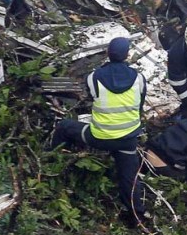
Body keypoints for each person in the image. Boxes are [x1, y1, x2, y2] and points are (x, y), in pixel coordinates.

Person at [51, 37, 148, 225]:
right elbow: (140, 107)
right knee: (129, 178)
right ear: (128, 55)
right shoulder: (139, 79)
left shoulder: (93, 77)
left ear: (107, 54)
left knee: (64, 127)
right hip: (128, 139)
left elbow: (89, 98)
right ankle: (137, 216)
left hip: (100, 136)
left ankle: (52, 165)